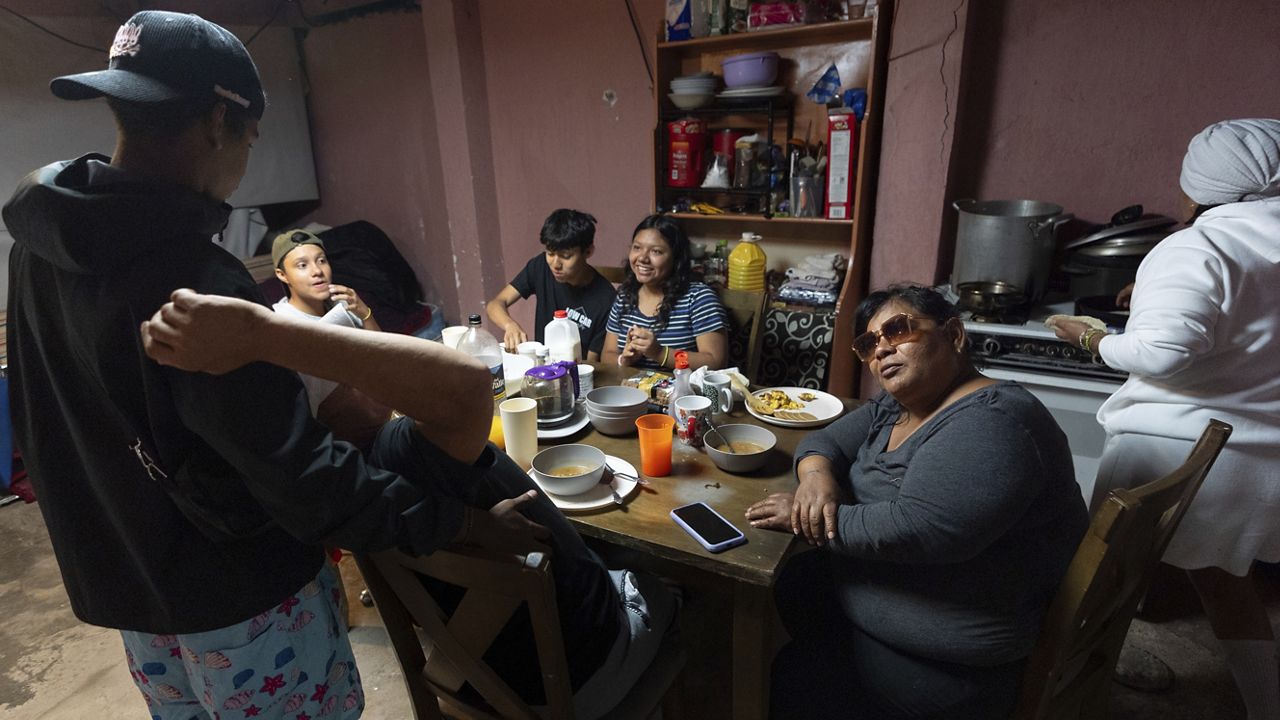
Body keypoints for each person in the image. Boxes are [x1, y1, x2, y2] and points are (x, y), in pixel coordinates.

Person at [1, 12, 537, 720]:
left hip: (131, 591)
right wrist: (454, 523)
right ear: (221, 120)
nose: (243, 164)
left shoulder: (39, 246)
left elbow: (49, 429)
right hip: (243, 602)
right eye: (251, 140)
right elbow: (301, 476)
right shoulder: (194, 277)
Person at [140, 288, 678, 719]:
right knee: (669, 580)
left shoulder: (333, 490)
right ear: (351, 390)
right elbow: (466, 384)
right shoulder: (402, 451)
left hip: (480, 682)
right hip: (586, 680)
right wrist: (267, 335)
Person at [746, 284, 1088, 719]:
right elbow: (825, 438)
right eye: (870, 344)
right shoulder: (898, 405)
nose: (881, 349)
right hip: (877, 612)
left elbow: (924, 529)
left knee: (784, 678)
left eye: (898, 330)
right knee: (773, 594)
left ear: (954, 335)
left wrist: (807, 518)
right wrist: (815, 480)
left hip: (949, 664)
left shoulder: (993, 421)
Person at [1048, 118, 1280, 720]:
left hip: (1168, 449)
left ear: (1203, 185)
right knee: (1224, 582)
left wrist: (1093, 339)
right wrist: (1153, 293)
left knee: (1099, 577)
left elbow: (1163, 353)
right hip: (1255, 454)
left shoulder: (1198, 245)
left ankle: (1067, 679)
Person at [271, 228, 390, 449]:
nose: (317, 271)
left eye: (322, 261)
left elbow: (384, 356)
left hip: (382, 412)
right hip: (342, 435)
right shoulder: (281, 320)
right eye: (302, 265)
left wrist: (364, 312)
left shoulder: (341, 305)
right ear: (282, 275)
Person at [600, 214, 728, 370]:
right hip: (631, 391)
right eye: (637, 247)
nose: (642, 258)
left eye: (656, 251)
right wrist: (624, 359)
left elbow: (716, 362)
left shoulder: (698, 298)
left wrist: (660, 353)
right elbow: (607, 354)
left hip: (682, 392)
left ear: (676, 258)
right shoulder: (625, 296)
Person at [485, 209, 616, 360]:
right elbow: (495, 304)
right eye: (550, 253)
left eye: (566, 256)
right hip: (541, 367)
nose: (555, 264)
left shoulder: (606, 299)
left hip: (576, 373)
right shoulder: (541, 266)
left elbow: (591, 362)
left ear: (588, 252)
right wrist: (509, 325)